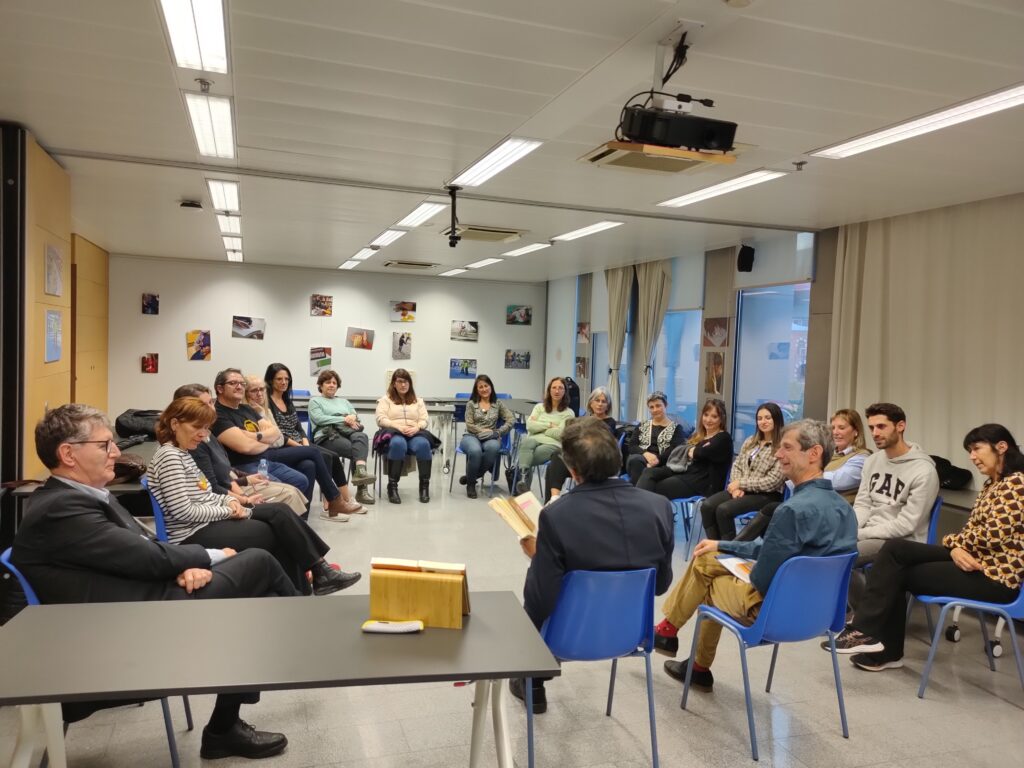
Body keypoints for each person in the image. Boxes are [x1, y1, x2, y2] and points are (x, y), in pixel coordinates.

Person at [10, 404, 297, 760]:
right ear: (68, 453)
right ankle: (298, 643)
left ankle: (231, 719)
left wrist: (178, 567)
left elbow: (139, 551)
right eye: (104, 445)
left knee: (255, 599)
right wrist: (210, 555)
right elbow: (146, 557)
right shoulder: (61, 509)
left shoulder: (77, 498)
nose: (117, 451)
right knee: (258, 564)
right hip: (126, 635)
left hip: (141, 608)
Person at [653, 419, 858, 691]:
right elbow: (781, 551)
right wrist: (724, 546)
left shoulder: (791, 511)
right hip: (819, 615)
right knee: (710, 557)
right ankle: (683, 651)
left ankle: (674, 639)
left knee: (707, 579)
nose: (777, 454)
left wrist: (736, 564)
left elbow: (761, 580)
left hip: (772, 614)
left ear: (814, 453)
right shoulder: (844, 510)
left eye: (786, 448)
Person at [511, 417, 675, 713]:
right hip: (631, 634)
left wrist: (538, 556)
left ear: (572, 470)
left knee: (534, 596)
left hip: (567, 638)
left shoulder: (557, 516)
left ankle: (532, 680)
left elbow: (539, 601)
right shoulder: (659, 507)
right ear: (618, 458)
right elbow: (661, 584)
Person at [830, 423, 1023, 672]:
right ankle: (866, 633)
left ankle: (879, 645)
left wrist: (952, 545)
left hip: (994, 576)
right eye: (969, 451)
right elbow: (972, 533)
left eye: (977, 449)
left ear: (1002, 447)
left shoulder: (1016, 484)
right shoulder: (992, 484)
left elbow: (991, 535)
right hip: (973, 558)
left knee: (897, 573)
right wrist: (956, 547)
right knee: (895, 549)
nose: (972, 457)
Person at [147, 396, 361, 595]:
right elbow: (183, 511)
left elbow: (204, 493)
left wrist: (229, 500)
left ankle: (312, 578)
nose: (204, 435)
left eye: (205, 428)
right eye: (197, 427)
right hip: (191, 534)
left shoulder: (182, 453)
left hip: (204, 522)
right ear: (175, 424)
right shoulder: (170, 457)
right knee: (275, 532)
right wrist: (228, 511)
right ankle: (305, 586)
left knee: (280, 512)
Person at [211, 368, 364, 522]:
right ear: (220, 388)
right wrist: (265, 440)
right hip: (245, 465)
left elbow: (276, 432)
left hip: (264, 457)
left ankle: (303, 517)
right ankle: (335, 501)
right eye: (233, 383)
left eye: (241, 383)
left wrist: (255, 436)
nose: (239, 387)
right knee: (314, 453)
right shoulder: (219, 414)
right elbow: (246, 447)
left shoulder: (247, 409)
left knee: (308, 466)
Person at [846, 403, 939, 607]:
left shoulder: (924, 471)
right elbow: (863, 503)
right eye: (871, 428)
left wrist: (860, 534)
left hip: (903, 541)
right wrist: (853, 528)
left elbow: (906, 525)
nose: (875, 433)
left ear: (900, 426)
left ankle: (866, 619)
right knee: (830, 546)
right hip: (870, 532)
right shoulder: (873, 461)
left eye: (881, 426)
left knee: (843, 556)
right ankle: (858, 611)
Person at [735, 408, 870, 541]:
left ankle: (732, 548)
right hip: (809, 505)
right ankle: (732, 547)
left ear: (856, 431)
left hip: (830, 513)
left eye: (841, 428)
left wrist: (801, 471)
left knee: (773, 513)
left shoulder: (862, 458)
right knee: (772, 520)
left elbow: (836, 481)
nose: (835, 432)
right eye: (833, 428)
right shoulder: (830, 454)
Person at [176, 383, 308, 516]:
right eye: (205, 405)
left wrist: (246, 479)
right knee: (290, 494)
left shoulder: (209, 433)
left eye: (211, 402)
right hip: (225, 499)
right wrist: (244, 498)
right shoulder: (195, 442)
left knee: (301, 477)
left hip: (236, 483)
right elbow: (212, 487)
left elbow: (225, 470)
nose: (212, 408)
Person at [263, 363, 360, 513]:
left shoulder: (287, 401)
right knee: (321, 456)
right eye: (279, 379)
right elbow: (277, 434)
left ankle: (344, 500)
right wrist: (301, 446)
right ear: (270, 381)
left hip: (299, 444)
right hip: (283, 445)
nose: (284, 382)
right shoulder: (267, 403)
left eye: (286, 379)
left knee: (332, 456)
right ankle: (331, 503)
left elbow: (298, 427)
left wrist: (305, 442)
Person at [698, 402, 786, 541]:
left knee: (723, 510)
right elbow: (737, 466)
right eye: (760, 418)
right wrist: (735, 487)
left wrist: (741, 484)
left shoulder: (783, 446)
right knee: (707, 506)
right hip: (741, 489)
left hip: (767, 495)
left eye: (768, 418)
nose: (763, 422)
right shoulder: (751, 441)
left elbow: (773, 481)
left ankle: (729, 553)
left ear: (777, 419)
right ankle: (715, 550)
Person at [636, 398, 733, 502]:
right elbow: (687, 450)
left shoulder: (723, 438)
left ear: (721, 419)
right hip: (683, 471)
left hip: (701, 482)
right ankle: (638, 512)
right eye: (706, 415)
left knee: (656, 487)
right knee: (648, 472)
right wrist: (693, 451)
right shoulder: (699, 435)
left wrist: (694, 451)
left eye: (714, 416)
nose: (708, 420)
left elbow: (699, 453)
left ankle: (639, 513)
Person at [308, 369, 376, 505]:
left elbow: (356, 417)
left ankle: (361, 478)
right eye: (328, 382)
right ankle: (361, 488)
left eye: (334, 383)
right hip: (327, 436)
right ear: (321, 385)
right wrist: (344, 418)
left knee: (362, 436)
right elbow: (320, 419)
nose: (332, 385)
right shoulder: (315, 401)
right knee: (354, 450)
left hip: (347, 432)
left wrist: (352, 417)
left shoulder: (344, 402)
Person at [542, 387, 617, 503]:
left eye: (604, 401)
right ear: (591, 403)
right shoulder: (583, 420)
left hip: (595, 464)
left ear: (608, 406)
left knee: (555, 463)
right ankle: (553, 499)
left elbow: (595, 442)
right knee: (555, 459)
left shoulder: (610, 422)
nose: (600, 404)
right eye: (597, 400)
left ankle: (553, 501)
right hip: (579, 461)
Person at [375, 368, 435, 504]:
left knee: (424, 445)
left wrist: (417, 427)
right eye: (400, 381)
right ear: (394, 384)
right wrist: (397, 426)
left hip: (414, 433)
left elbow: (425, 419)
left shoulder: (418, 401)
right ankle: (392, 487)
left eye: (406, 381)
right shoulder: (385, 400)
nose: (403, 385)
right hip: (394, 432)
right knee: (398, 444)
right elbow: (380, 418)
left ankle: (424, 487)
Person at [458, 374, 514, 499]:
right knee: (475, 451)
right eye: (480, 387)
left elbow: (511, 419)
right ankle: (471, 485)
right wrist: (483, 430)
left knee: (493, 448)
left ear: (491, 387)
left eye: (486, 386)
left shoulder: (498, 404)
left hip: (491, 437)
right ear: (476, 390)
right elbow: (469, 424)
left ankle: (471, 477)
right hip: (471, 436)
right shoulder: (471, 404)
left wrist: (498, 432)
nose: (484, 389)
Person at [514, 377, 574, 494]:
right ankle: (523, 484)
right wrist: (551, 425)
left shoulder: (568, 413)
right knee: (526, 443)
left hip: (552, 444)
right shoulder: (539, 407)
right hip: (533, 440)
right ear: (549, 390)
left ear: (565, 391)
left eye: (560, 388)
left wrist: (540, 427)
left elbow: (560, 434)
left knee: (526, 458)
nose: (557, 391)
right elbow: (530, 426)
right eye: (554, 388)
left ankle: (523, 485)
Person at [624, 391, 686, 485]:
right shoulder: (642, 425)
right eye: (651, 407)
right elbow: (632, 446)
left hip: (663, 464)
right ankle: (637, 492)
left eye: (658, 406)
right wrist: (645, 454)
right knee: (635, 460)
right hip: (639, 460)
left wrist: (657, 460)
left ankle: (636, 492)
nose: (655, 410)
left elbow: (675, 450)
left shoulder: (676, 428)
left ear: (666, 405)